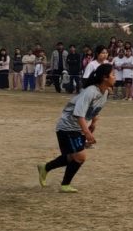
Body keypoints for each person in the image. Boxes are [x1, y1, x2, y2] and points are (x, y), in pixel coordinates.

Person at [36, 63, 116, 193]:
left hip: (78, 127)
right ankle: (65, 184)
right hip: (67, 127)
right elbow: (78, 114)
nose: (115, 77)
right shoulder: (90, 91)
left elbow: (94, 110)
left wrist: (93, 123)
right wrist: (87, 133)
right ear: (104, 77)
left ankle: (45, 167)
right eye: (113, 74)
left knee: (71, 157)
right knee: (80, 156)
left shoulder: (105, 92)